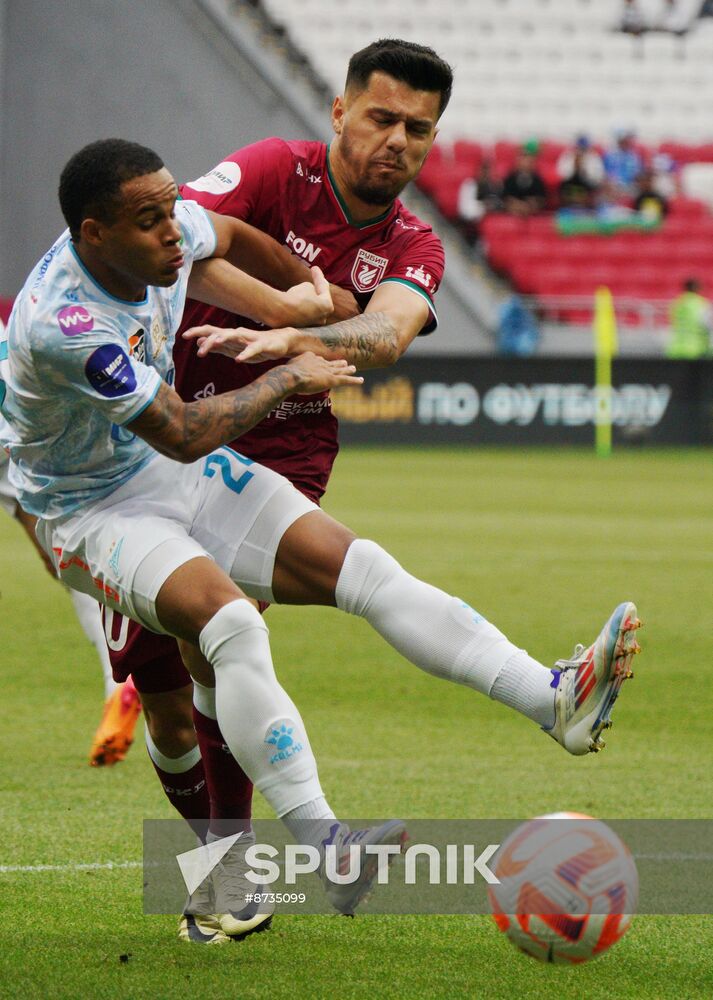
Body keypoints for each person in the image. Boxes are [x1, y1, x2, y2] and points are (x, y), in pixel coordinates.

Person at [1, 138, 641, 942]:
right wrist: (288, 373)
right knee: (205, 654)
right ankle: (287, 853)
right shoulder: (64, 326)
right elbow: (182, 432)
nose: (175, 230)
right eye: (150, 220)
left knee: (360, 570)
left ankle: (552, 701)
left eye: (171, 209)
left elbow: (225, 237)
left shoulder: (168, 231)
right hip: (92, 509)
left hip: (167, 471)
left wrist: (291, 300)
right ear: (95, 234)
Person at [103, 38, 455, 944]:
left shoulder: (414, 243)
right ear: (339, 112)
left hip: (286, 444)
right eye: (381, 117)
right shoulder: (270, 170)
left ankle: (243, 873)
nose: (397, 140)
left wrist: (318, 332)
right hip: (162, 431)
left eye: (418, 128)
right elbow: (180, 241)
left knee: (225, 633)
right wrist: (287, 314)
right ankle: (219, 863)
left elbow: (387, 329)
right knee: (163, 687)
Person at [0, 341, 142, 767]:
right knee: (64, 557)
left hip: (15, 427)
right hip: (18, 425)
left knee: (67, 556)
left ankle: (123, 676)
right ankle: (119, 680)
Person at [457, 158, 502, 244]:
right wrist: (484, 206)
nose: (485, 174)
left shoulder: (494, 187)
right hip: (471, 228)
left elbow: (499, 205)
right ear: (478, 171)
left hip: (490, 226)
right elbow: (465, 211)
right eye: (483, 171)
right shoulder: (469, 185)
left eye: (488, 172)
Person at [666, 278, 712, 357]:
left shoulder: (677, 303)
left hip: (676, 348)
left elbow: (673, 321)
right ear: (696, 288)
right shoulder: (701, 304)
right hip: (696, 349)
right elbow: (707, 325)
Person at [501, 144, 547, 217]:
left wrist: (529, 205)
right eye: (523, 158)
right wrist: (517, 205)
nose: (526, 162)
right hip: (513, 212)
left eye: (529, 159)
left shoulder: (538, 180)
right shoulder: (510, 179)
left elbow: (541, 199)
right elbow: (505, 198)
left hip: (531, 212)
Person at [603, 129, 644, 199]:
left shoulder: (634, 157)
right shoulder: (610, 155)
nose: (625, 143)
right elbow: (606, 172)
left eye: (626, 141)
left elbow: (638, 173)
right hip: (614, 185)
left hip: (630, 186)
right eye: (623, 141)